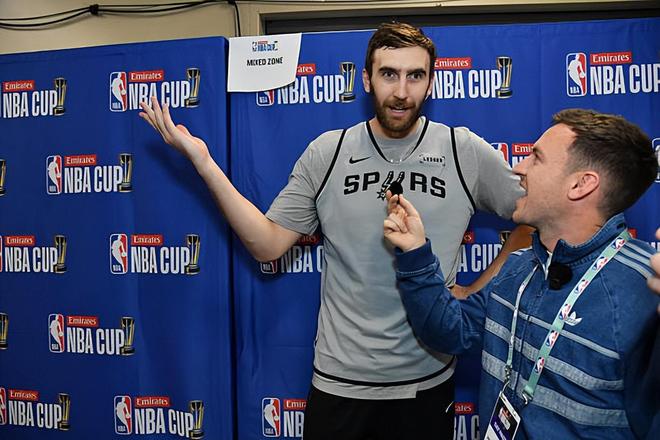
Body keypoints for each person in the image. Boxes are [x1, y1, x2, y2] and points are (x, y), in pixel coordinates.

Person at [139, 22, 530, 439]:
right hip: (340, 384)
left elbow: (535, 216)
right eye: (389, 74)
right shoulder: (329, 151)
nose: (401, 91)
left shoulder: (461, 150)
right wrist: (204, 163)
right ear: (366, 80)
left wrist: (480, 292)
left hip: (426, 384)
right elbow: (267, 244)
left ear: (431, 83)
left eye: (415, 76)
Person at [384, 108, 659, 439]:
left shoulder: (645, 293)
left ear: (581, 184)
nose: (518, 168)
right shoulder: (518, 267)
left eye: (536, 158)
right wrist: (415, 253)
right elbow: (449, 331)